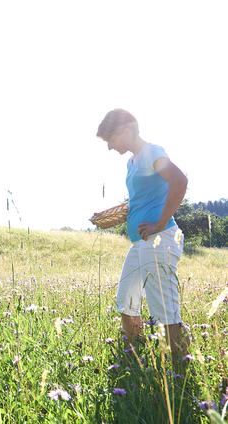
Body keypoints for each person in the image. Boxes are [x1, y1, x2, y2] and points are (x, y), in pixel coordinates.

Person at [96, 108, 189, 362]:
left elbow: (179, 181)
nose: (110, 147)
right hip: (140, 243)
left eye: (111, 140)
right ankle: (133, 358)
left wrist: (159, 223)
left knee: (163, 307)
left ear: (126, 130)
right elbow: (145, 196)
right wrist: (127, 210)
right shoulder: (132, 162)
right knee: (126, 299)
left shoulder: (152, 152)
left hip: (160, 239)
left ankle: (179, 368)